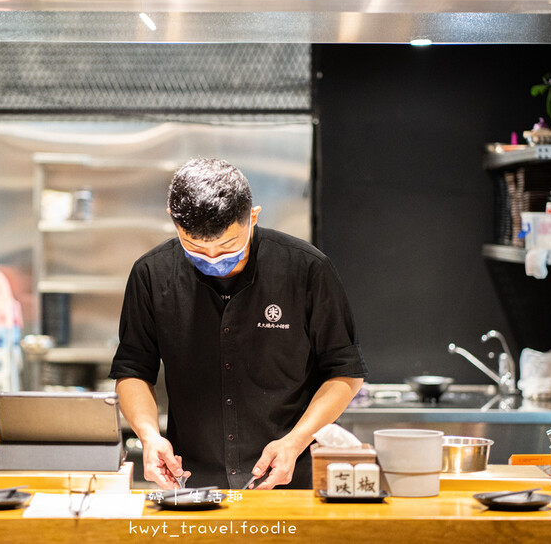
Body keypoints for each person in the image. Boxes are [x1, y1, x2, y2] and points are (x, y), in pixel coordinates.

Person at [109, 158, 367, 490]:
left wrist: (295, 442)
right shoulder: (152, 274)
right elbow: (133, 370)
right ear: (175, 224)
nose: (214, 259)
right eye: (196, 249)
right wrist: (148, 436)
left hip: (290, 479)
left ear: (253, 217)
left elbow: (344, 373)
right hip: (195, 483)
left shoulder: (307, 270)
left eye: (229, 246)